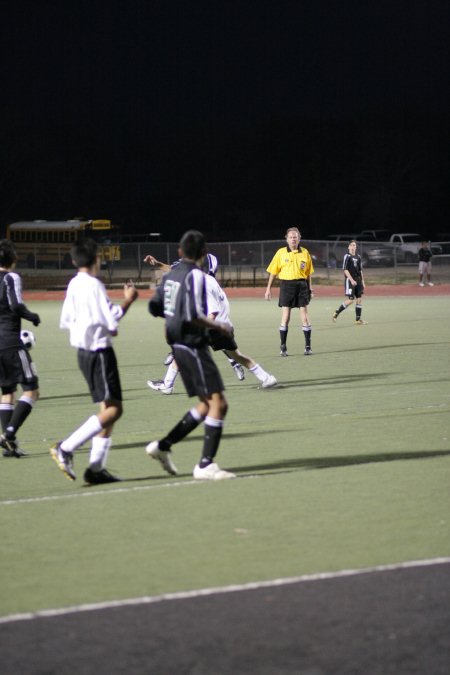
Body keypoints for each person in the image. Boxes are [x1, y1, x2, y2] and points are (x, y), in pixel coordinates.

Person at [146, 230, 235, 481]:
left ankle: (163, 446)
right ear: (204, 254)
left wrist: (171, 317)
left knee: (207, 405)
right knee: (220, 404)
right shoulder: (196, 276)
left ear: (179, 252)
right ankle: (206, 464)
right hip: (192, 342)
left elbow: (154, 307)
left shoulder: (171, 274)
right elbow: (194, 315)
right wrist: (221, 327)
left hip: (176, 343)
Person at [50, 238, 138, 484]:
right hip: (99, 352)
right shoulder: (94, 285)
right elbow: (112, 322)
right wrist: (129, 299)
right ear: (96, 259)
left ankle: (96, 468)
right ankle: (66, 448)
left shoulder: (74, 284)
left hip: (83, 352)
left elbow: (67, 319)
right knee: (114, 410)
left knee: (106, 408)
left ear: (74, 260)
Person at [148, 254, 277, 393]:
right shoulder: (211, 281)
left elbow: (213, 311)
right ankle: (266, 378)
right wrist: (157, 264)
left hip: (212, 327)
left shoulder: (203, 283)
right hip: (224, 327)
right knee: (237, 356)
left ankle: (167, 385)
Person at [144, 252, 245, 387]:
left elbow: (208, 274)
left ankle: (168, 381)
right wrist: (157, 264)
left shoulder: (208, 259)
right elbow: (174, 268)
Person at [0, 239, 41, 458]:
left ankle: (11, 446)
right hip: (10, 343)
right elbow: (15, 304)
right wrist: (31, 316)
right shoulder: (11, 277)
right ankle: (9, 433)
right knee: (32, 390)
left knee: (7, 393)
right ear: (13, 258)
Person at [264, 227, 314, 356]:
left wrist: (310, 288)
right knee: (286, 317)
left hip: (302, 285)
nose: (293, 239)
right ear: (286, 239)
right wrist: (268, 288)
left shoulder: (305, 252)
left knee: (305, 316)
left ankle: (308, 346)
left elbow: (308, 274)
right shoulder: (281, 253)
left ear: (299, 238)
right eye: (291, 237)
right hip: (286, 285)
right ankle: (283, 347)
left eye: (295, 237)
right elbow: (273, 272)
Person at [332, 240, 367, 325]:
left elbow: (360, 270)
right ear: (348, 247)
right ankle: (337, 312)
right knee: (351, 300)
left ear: (356, 247)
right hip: (350, 280)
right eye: (351, 245)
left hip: (358, 280)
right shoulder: (347, 256)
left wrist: (362, 281)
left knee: (359, 299)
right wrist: (351, 280)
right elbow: (345, 269)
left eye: (354, 245)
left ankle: (358, 320)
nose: (352, 247)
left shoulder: (358, 257)